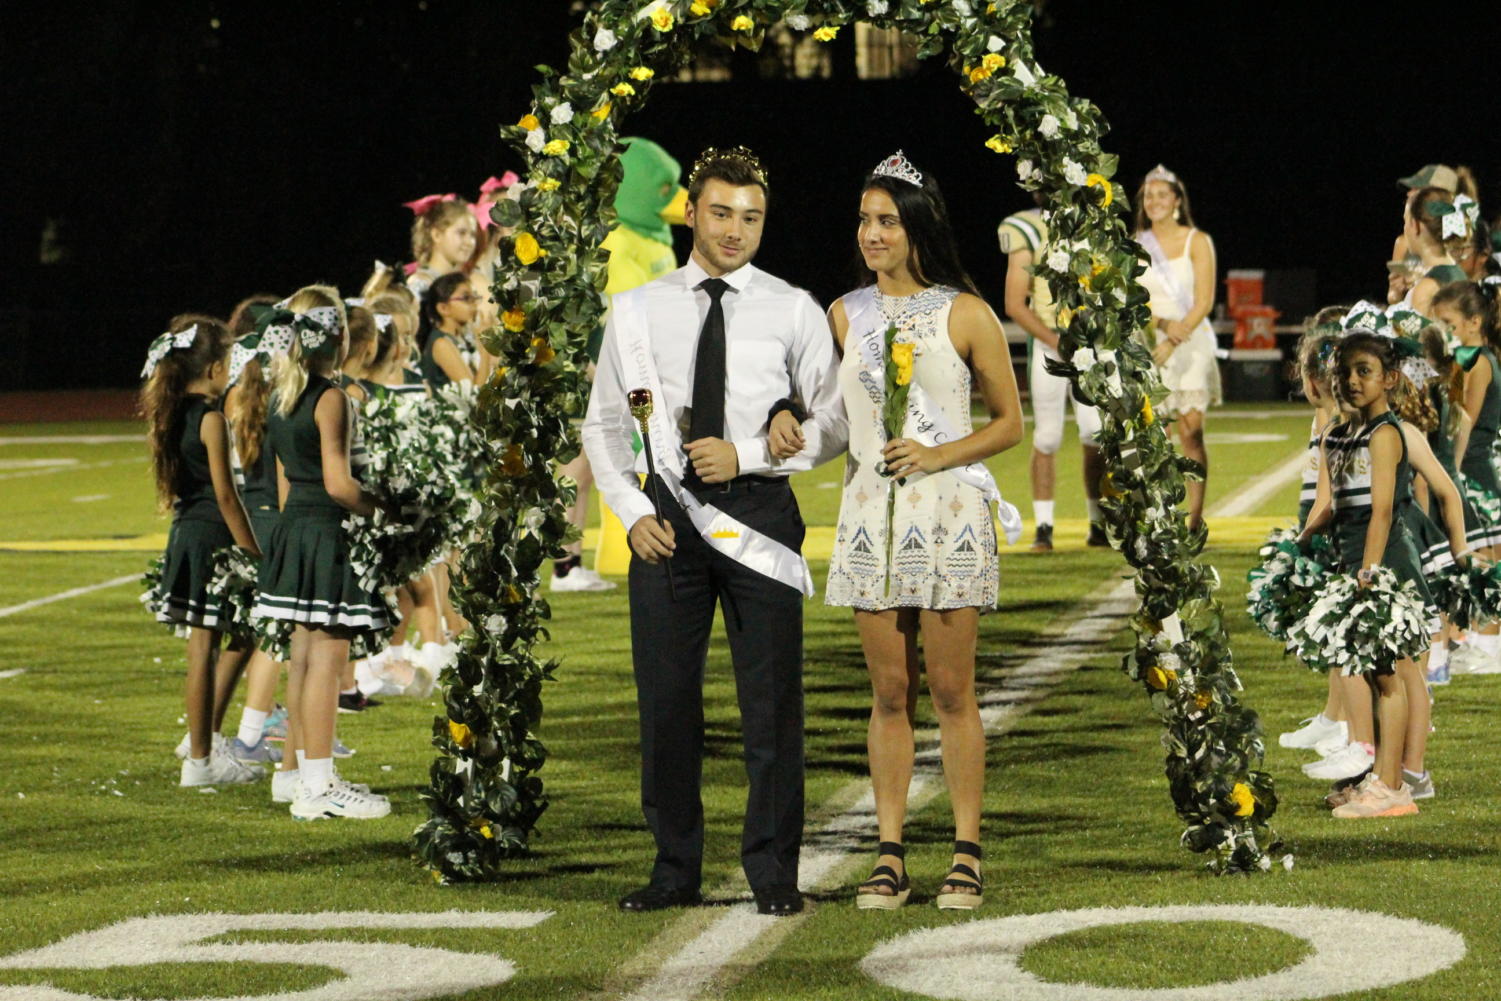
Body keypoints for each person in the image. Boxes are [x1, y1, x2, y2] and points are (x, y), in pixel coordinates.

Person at [581, 146, 844, 916]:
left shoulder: (792, 306)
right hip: (664, 521)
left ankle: (773, 873)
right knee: (665, 704)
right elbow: (601, 426)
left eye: (751, 217)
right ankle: (673, 868)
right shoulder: (637, 309)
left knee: (771, 706)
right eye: (721, 213)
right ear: (691, 211)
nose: (735, 230)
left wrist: (753, 453)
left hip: (758, 515)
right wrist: (630, 514)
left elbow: (832, 422)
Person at [808, 151, 1022, 910]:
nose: (872, 233)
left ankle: (965, 852)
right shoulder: (842, 313)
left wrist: (937, 453)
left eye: (887, 221)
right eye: (865, 220)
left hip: (948, 514)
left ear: (917, 226)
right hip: (870, 513)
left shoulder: (966, 312)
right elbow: (833, 419)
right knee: (889, 691)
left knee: (952, 691)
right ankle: (889, 852)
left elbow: (1008, 423)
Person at [1298, 331, 1468, 818]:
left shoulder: (1387, 433)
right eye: (1345, 372)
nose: (1352, 381)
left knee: (1389, 674)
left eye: (1364, 372)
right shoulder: (1338, 433)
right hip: (1355, 565)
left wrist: (1369, 574)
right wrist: (1300, 545)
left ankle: (1394, 786)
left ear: (1389, 379)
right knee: (1374, 674)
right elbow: (1329, 505)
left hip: (1384, 567)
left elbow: (1381, 512)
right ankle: (1381, 777)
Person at [251, 286, 393, 820]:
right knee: (329, 662)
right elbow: (338, 484)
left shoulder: (283, 394)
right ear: (338, 339)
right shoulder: (330, 396)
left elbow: (290, 477)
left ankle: (293, 776)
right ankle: (318, 786)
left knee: (303, 659)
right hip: (326, 530)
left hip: (294, 530)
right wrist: (384, 507)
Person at [140, 315, 265, 787]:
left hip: (186, 534)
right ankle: (200, 756)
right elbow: (228, 498)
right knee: (213, 647)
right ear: (214, 368)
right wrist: (254, 553)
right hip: (214, 538)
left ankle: (201, 749)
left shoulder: (170, 414)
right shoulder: (212, 419)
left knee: (206, 648)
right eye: (229, 362)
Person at [998, 198, 1104, 550]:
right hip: (1049, 345)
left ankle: (1098, 522)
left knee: (1095, 433)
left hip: (1089, 346)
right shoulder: (1027, 226)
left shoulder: (1092, 221)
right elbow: (1014, 303)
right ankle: (1044, 526)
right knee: (1047, 436)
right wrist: (1054, 340)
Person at [1135, 164, 1220, 532]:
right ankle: (1165, 515)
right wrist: (1161, 328)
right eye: (1148, 195)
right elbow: (1132, 300)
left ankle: (1195, 519)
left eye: (1162, 194)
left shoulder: (1196, 240)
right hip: (1151, 341)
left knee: (1190, 431)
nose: (1154, 201)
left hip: (1190, 341)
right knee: (1159, 438)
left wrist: (1174, 336)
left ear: (1176, 200)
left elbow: (1205, 299)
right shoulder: (1136, 244)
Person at [405, 194, 477, 298]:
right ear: (437, 235)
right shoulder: (421, 285)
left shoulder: (469, 282)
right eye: (461, 233)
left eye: (473, 235)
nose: (469, 242)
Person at [418, 272, 479, 388]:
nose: (474, 303)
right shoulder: (441, 343)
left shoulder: (461, 338)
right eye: (466, 298)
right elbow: (475, 396)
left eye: (474, 296)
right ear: (443, 308)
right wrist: (485, 352)